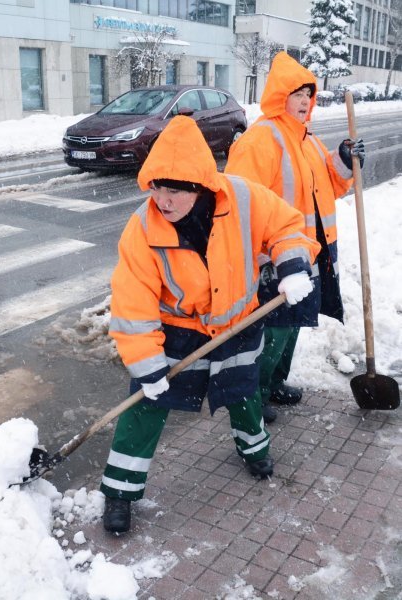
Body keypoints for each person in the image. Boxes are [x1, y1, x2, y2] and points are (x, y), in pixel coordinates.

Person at [100, 115, 320, 534]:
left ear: (199, 184)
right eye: (157, 188)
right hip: (177, 331)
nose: (163, 200)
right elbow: (132, 299)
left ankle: (254, 451)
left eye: (174, 190)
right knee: (145, 407)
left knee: (242, 394)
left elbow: (287, 226)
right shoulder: (143, 227)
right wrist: (146, 363)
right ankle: (119, 490)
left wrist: (292, 265)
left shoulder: (243, 197)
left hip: (238, 324)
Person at [225, 51, 365, 423]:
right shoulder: (260, 141)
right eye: (296, 94)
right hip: (276, 259)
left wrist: (344, 159)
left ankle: (274, 383)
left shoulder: (307, 139)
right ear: (278, 96)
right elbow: (241, 203)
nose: (304, 101)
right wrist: (261, 256)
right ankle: (255, 393)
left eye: (309, 94)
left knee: (295, 324)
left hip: (311, 252)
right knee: (275, 331)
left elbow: (329, 186)